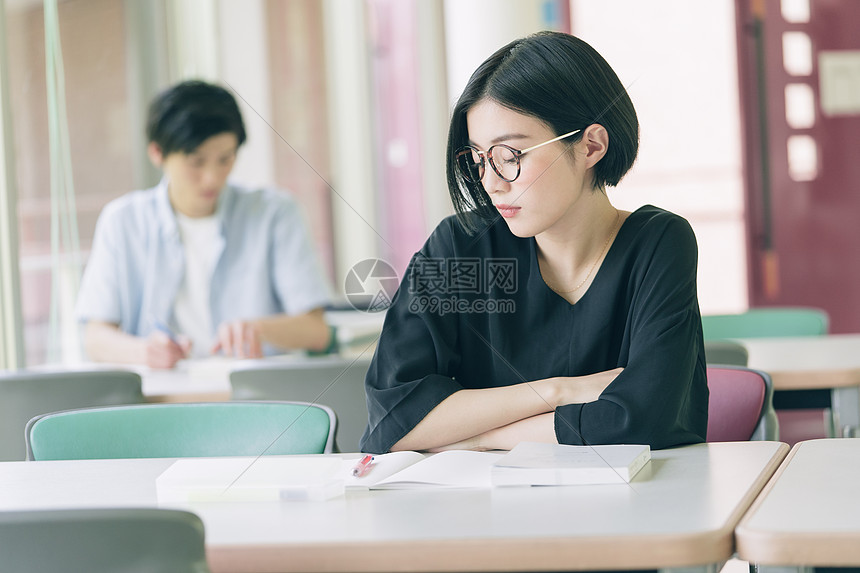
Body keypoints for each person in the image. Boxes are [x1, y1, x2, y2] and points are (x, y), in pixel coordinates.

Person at [360, 32, 708, 454]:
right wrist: (562, 391)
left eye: (510, 156)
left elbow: (643, 421)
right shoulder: (459, 247)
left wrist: (477, 438)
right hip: (482, 517)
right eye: (478, 160)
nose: (490, 183)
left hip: (629, 512)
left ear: (590, 146)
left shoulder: (658, 244)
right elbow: (389, 422)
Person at [76, 80, 333, 369]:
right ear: (157, 153)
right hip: (161, 398)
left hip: (257, 399)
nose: (212, 177)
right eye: (196, 161)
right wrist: (143, 351)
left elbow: (317, 331)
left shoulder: (275, 213)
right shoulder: (123, 221)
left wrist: (258, 329)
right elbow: (94, 338)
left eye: (225, 159)